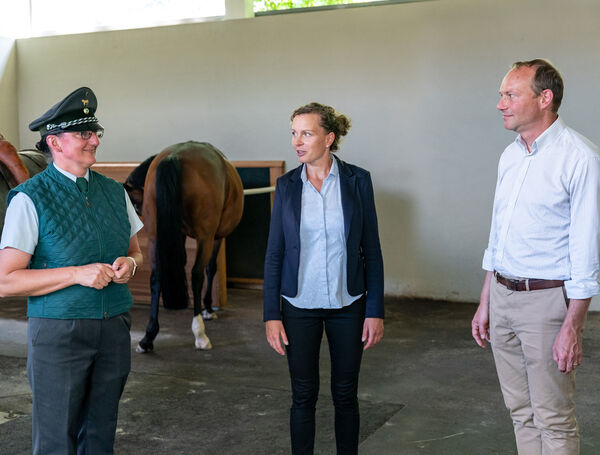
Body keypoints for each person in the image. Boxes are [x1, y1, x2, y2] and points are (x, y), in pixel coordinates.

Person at [0, 86, 144, 454]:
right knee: (55, 440)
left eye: (95, 132)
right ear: (55, 142)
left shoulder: (115, 192)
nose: (94, 139)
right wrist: (76, 274)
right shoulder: (30, 199)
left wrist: (130, 264)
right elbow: (5, 280)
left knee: (99, 435)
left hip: (114, 328)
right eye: (83, 133)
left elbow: (135, 252)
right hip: (59, 333)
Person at [472, 60, 600, 454]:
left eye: (510, 95)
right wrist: (485, 300)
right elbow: (499, 236)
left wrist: (573, 326)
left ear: (544, 98)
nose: (500, 104)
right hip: (503, 294)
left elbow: (587, 250)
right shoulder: (510, 157)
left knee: (553, 418)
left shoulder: (580, 158)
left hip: (546, 304)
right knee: (520, 411)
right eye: (501, 95)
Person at [264, 102, 384, 455]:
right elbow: (275, 254)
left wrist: (375, 310)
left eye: (306, 133)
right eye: (293, 133)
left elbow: (372, 250)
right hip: (297, 307)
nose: (296, 142)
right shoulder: (286, 185)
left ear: (328, 138)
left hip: (349, 305)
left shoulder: (357, 181)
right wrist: (272, 315)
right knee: (302, 396)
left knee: (345, 395)